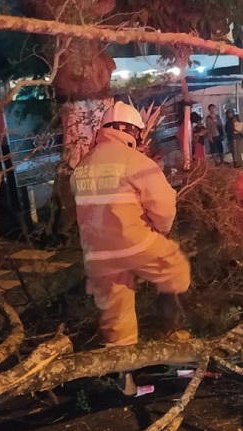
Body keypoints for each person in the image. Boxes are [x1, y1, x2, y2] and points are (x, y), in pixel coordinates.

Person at [71, 101, 191, 351]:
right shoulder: (137, 162)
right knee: (175, 269)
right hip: (135, 243)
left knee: (117, 317)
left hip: (97, 253)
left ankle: (125, 376)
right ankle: (171, 329)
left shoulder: (81, 168)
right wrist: (161, 232)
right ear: (132, 131)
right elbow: (164, 207)